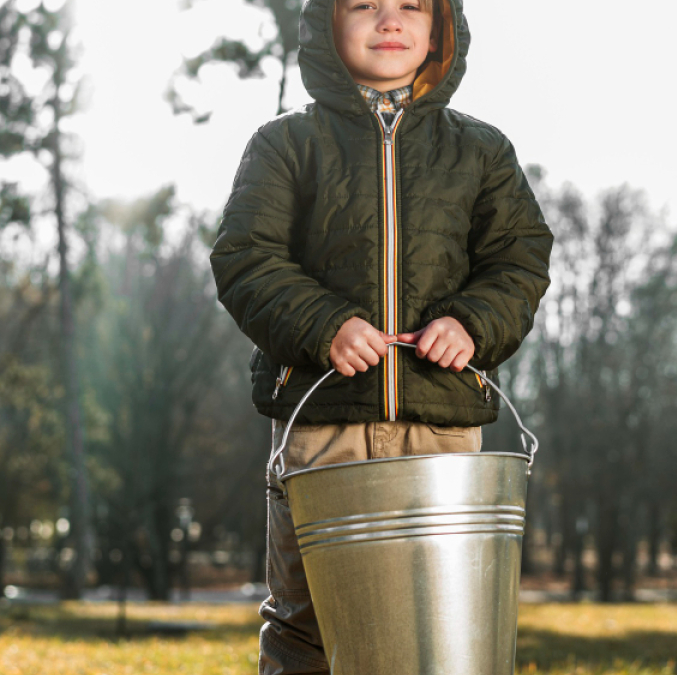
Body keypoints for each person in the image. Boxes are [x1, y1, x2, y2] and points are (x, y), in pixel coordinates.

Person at [209, 0, 553, 672]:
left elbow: (519, 260)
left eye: (410, 7)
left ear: (439, 31)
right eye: (364, 5)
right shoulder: (286, 145)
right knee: (308, 621)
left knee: (448, 622)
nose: (388, 21)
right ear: (324, 26)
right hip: (321, 424)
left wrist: (473, 324)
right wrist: (324, 323)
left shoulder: (481, 151)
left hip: (443, 426)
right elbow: (246, 256)